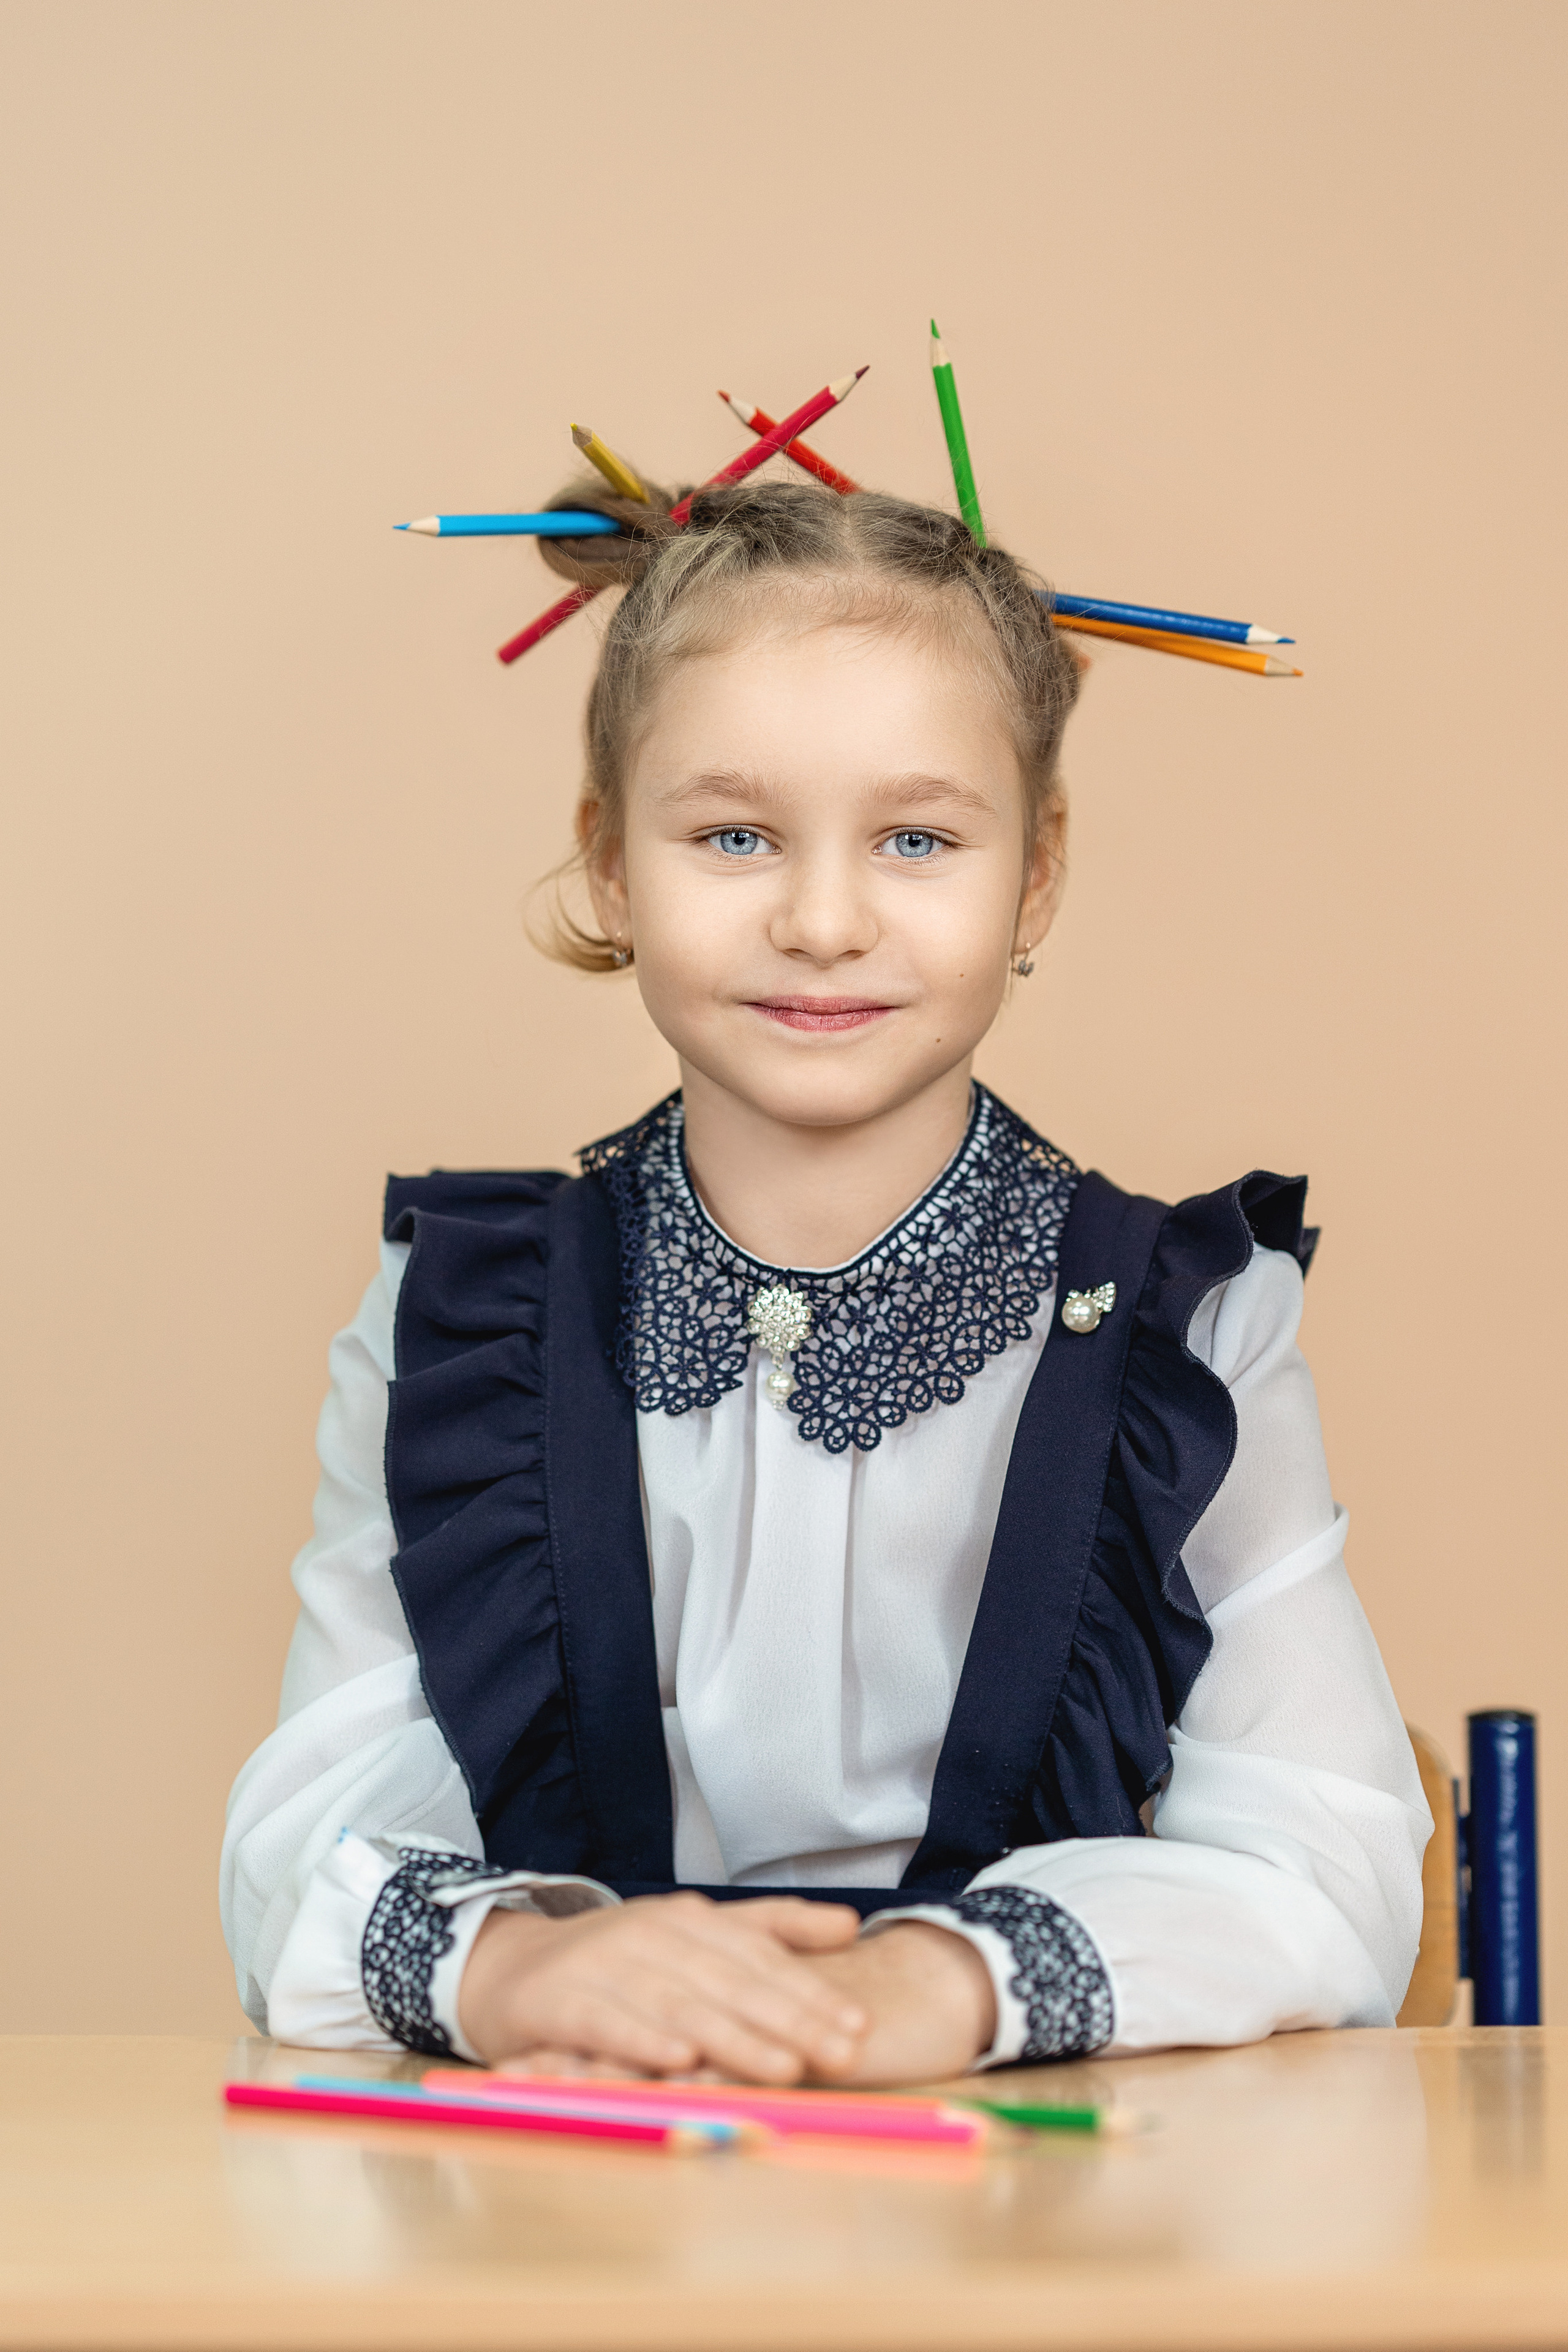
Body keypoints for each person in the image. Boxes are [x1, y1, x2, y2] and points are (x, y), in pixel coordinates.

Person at [222, 478, 1430, 2085]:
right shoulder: (456, 1321)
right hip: (578, 2180)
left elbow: (1332, 1860)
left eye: (916, 839)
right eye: (734, 836)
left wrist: (952, 1980)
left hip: (1038, 2186)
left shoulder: (1195, 1329)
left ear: (1037, 876)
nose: (822, 918)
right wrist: (519, 1966)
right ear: (610, 863)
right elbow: (310, 1823)